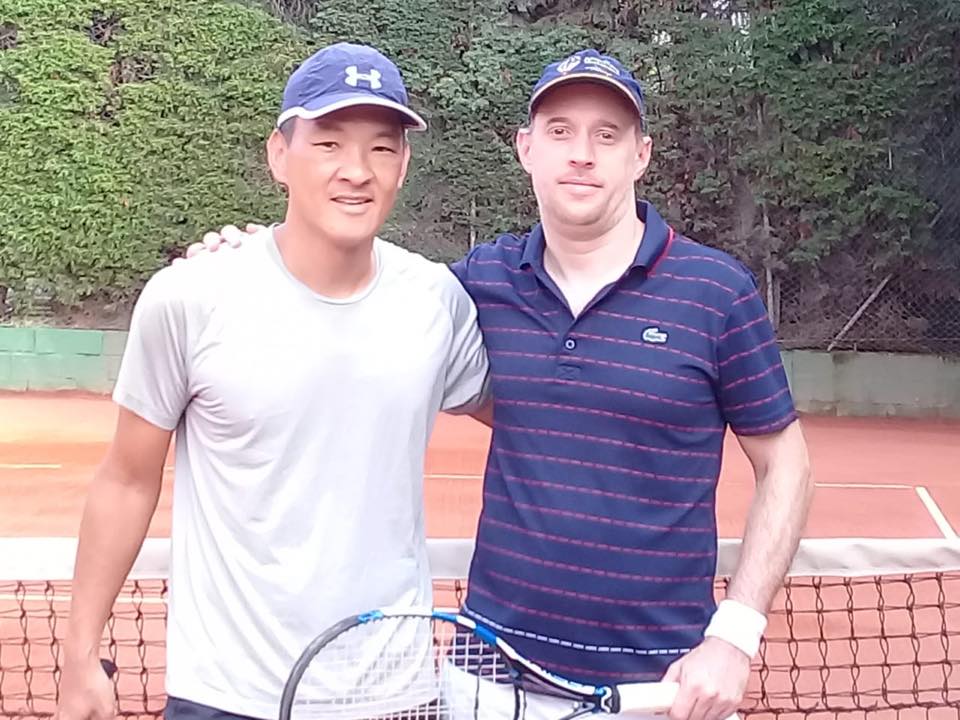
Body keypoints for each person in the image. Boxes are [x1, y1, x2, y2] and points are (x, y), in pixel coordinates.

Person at [186, 49, 814, 720]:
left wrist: (735, 635)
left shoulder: (716, 293)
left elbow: (788, 466)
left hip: (660, 689)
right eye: (560, 131)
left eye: (606, 135)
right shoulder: (474, 286)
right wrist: (253, 255)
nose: (582, 154)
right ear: (525, 148)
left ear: (641, 155)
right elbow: (351, 286)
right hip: (487, 684)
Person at [55, 42, 489, 720]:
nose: (356, 170)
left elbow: (536, 416)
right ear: (279, 156)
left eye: (381, 148)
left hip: (395, 693)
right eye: (328, 143)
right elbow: (127, 480)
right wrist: (79, 654)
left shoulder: (437, 302)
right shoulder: (190, 297)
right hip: (225, 695)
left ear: (403, 166)